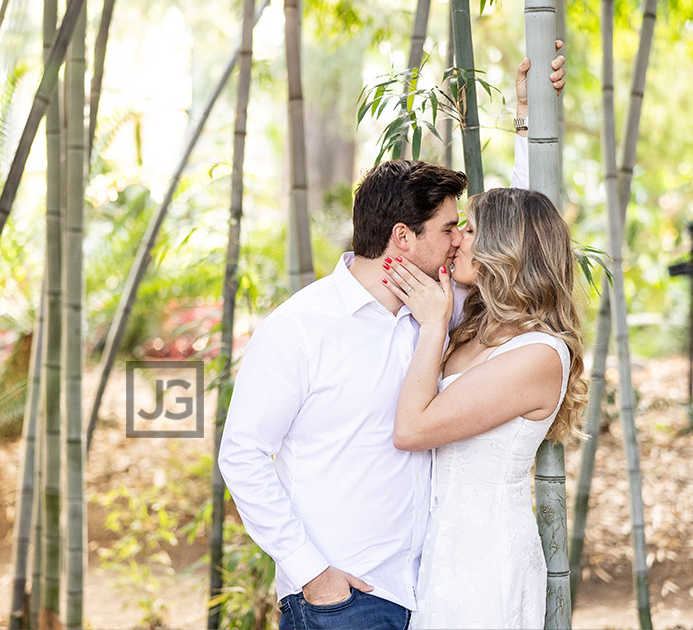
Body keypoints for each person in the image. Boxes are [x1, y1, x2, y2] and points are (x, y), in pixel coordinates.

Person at [218, 51, 565, 630]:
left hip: (429, 589)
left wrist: (530, 119)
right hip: (344, 596)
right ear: (404, 238)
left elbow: (514, 244)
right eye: (450, 229)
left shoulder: (442, 310)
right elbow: (243, 456)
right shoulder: (302, 327)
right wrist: (312, 575)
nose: (460, 242)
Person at [381, 187, 588, 629]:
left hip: (486, 556)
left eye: (469, 229)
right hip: (439, 546)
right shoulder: (475, 329)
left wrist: (434, 323)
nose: (455, 239)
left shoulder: (539, 354)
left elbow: (412, 430)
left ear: (506, 248)